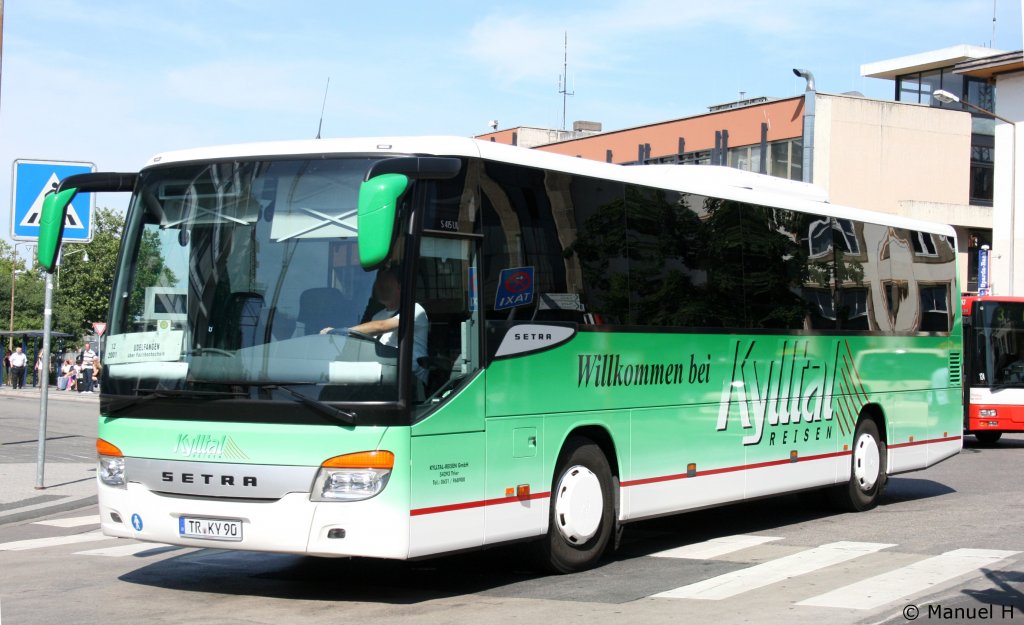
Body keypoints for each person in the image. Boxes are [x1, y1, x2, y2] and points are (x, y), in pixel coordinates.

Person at [320, 267, 429, 384]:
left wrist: (343, 332)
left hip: (410, 381)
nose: (380, 287)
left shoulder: (414, 309)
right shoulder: (378, 316)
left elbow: (382, 326)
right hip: (384, 374)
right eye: (378, 283)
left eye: (386, 282)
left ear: (400, 286)